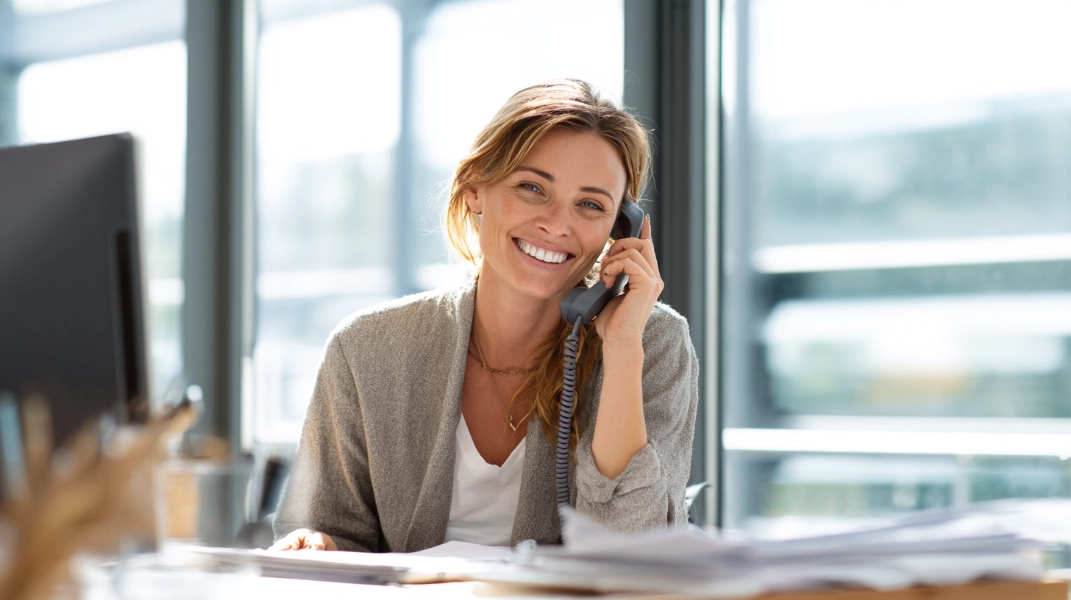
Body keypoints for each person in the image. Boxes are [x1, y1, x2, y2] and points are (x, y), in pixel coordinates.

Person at [270, 79, 699, 552]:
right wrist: (317, 543)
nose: (557, 224)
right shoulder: (366, 348)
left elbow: (634, 554)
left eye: (590, 204)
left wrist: (621, 348)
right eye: (532, 188)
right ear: (476, 189)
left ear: (620, 228)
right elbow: (329, 531)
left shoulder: (652, 343)